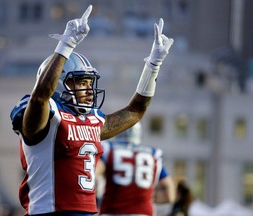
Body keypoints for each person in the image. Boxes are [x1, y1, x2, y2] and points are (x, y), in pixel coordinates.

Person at [10, 4, 174, 216]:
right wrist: (65, 45)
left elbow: (136, 111)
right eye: (81, 83)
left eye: (90, 83)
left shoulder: (92, 121)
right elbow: (40, 97)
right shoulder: (47, 116)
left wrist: (153, 65)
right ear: (59, 84)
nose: (89, 90)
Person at [96, 122, 175, 216]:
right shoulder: (153, 154)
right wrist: (147, 198)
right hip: (142, 212)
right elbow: (170, 196)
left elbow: (91, 174)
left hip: (113, 211)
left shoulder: (109, 149)